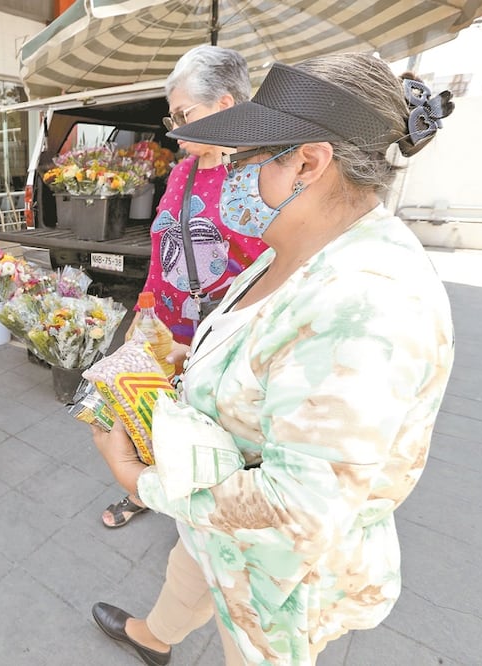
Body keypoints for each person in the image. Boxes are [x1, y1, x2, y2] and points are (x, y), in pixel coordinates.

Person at [90, 53, 455, 664]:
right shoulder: (293, 245)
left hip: (280, 580)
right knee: (190, 567)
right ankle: (155, 639)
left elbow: (297, 509)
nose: (228, 175)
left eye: (244, 160)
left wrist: (142, 483)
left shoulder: (366, 304)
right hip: (220, 532)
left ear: (308, 164)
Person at [100, 45, 267, 528]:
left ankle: (201, 510)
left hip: (223, 342)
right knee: (152, 414)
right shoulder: (182, 172)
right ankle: (146, 486)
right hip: (166, 328)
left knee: (209, 437)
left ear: (225, 106)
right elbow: (162, 248)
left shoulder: (264, 175)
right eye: (171, 118)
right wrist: (142, 318)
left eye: (182, 115)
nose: (174, 130)